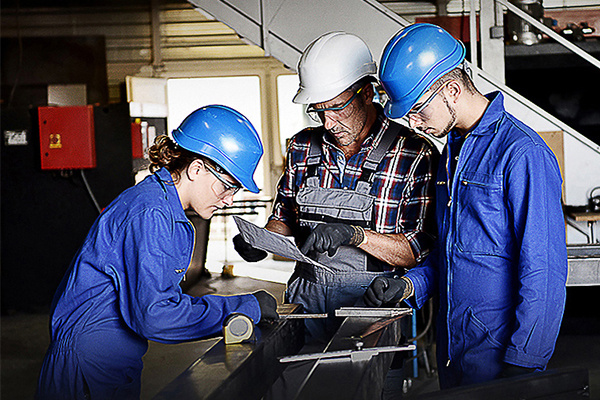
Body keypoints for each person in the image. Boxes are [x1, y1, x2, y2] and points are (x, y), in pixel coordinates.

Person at [364, 23, 568, 389]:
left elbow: (545, 270)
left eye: (416, 111)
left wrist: (524, 360)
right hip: (455, 353)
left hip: (499, 358)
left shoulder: (522, 153)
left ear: (452, 91)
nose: (412, 123)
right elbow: (454, 253)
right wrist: (410, 287)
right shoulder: (451, 157)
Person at [36, 105, 279, 399]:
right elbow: (155, 316)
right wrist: (244, 307)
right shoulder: (150, 212)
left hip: (110, 358)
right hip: (86, 365)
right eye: (227, 187)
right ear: (197, 169)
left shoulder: (163, 206)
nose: (228, 201)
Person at [233, 31, 438, 343]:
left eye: (337, 107)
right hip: (305, 300)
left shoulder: (413, 152)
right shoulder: (302, 146)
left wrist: (354, 235)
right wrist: (262, 241)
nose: (328, 123)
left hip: (371, 304)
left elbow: (415, 251)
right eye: (318, 110)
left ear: (368, 93)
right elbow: (284, 218)